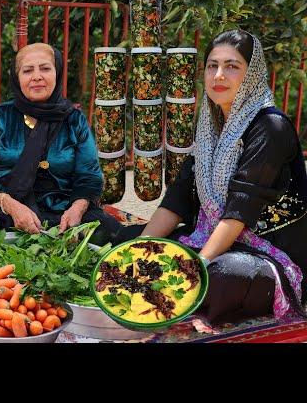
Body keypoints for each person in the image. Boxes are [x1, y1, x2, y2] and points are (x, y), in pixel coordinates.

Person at [124, 29, 307, 323]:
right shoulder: (211, 124)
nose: (219, 75)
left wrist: (196, 267)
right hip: (213, 238)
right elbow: (180, 195)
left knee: (222, 275)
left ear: (252, 74)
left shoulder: (270, 127)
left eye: (232, 66)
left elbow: (240, 210)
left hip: (267, 253)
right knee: (126, 242)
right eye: (213, 66)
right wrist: (137, 248)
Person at [0, 42, 121, 239]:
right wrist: (12, 206)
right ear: (17, 78)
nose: (37, 76)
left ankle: (33, 231)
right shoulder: (1, 116)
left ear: (57, 72)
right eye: (28, 71)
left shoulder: (74, 119)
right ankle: (40, 231)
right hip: (7, 208)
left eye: (45, 68)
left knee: (108, 227)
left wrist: (77, 209)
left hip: (61, 210)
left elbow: (89, 175)